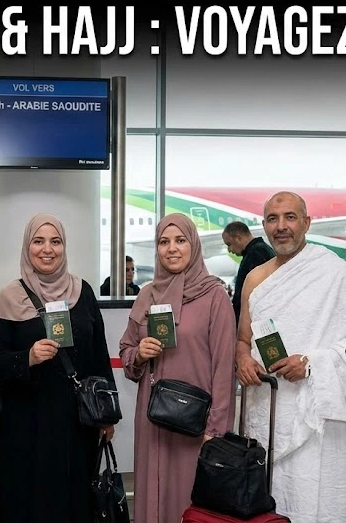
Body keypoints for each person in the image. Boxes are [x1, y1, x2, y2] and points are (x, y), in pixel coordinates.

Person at [236, 191, 346, 523]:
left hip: (320, 420)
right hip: (268, 412)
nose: (281, 226)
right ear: (264, 226)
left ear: (307, 223)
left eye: (290, 217)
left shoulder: (336, 273)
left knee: (318, 503)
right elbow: (242, 340)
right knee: (270, 503)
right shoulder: (255, 279)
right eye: (273, 219)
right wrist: (242, 360)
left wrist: (312, 363)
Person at [0, 213, 116, 523]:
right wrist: (28, 357)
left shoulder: (82, 292)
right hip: (26, 421)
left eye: (55, 241)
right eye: (38, 241)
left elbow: (99, 353)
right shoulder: (9, 297)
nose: (47, 249)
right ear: (26, 247)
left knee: (75, 496)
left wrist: (107, 415)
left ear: (64, 246)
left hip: (77, 421)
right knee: (28, 499)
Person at [119, 213, 236, 523]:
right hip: (153, 420)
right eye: (164, 242)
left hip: (194, 425)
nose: (171, 248)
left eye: (180, 240)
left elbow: (225, 368)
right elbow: (127, 351)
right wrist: (139, 355)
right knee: (152, 493)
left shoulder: (214, 296)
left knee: (188, 499)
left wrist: (215, 431)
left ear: (193, 244)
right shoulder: (147, 295)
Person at [222, 220, 274, 323]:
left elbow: (258, 294)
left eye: (229, 244)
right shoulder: (257, 251)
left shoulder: (257, 253)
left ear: (238, 238)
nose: (229, 250)